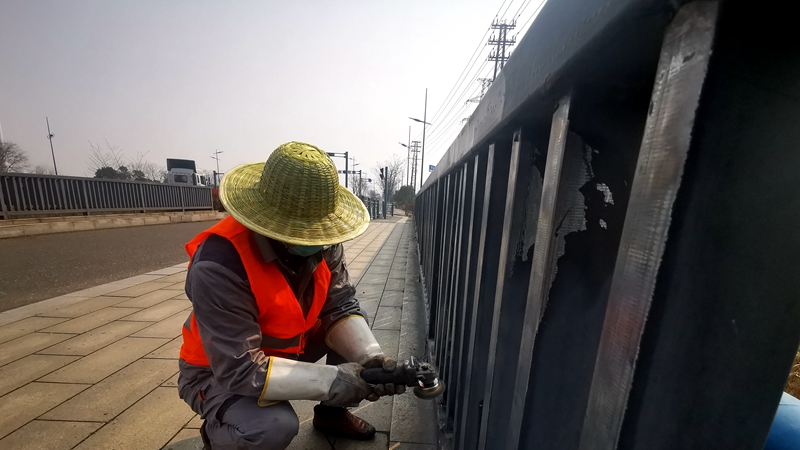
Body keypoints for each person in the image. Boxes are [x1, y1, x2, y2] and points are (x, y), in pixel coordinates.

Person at [177, 142, 405, 450]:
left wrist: (371, 359)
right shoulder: (220, 264)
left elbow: (341, 305)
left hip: (284, 349)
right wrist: (335, 382)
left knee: (351, 323)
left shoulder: (324, 242)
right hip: (219, 369)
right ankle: (219, 437)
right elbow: (239, 368)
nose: (318, 241)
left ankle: (332, 415)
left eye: (319, 230)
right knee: (273, 427)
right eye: (303, 230)